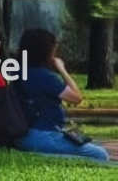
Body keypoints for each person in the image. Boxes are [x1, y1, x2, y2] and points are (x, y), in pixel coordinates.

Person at [14, 27, 109, 163]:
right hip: (43, 135)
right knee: (100, 154)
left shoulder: (18, 73)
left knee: (89, 146)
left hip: (24, 135)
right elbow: (76, 97)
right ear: (45, 52)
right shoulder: (45, 77)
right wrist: (61, 69)